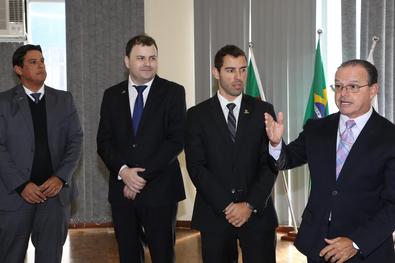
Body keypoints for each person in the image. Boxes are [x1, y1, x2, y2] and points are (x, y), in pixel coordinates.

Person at [265, 59, 395, 263]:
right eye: (339, 86)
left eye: (353, 86)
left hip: (367, 249)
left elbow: (392, 205)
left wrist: (355, 242)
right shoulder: (317, 128)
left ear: (373, 90)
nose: (343, 94)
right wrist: (275, 143)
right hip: (319, 244)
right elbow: (286, 160)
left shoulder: (389, 137)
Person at [97, 34, 186, 263]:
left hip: (161, 191)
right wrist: (125, 173)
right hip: (122, 193)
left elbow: (176, 141)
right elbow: (104, 142)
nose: (147, 63)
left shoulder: (174, 92)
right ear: (127, 61)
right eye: (141, 58)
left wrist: (140, 178)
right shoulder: (111, 95)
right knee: (128, 254)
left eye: (152, 58)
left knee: (163, 254)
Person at [185, 44, 278, 263]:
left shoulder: (263, 111)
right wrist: (228, 206)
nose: (238, 77)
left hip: (257, 215)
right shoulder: (197, 115)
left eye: (242, 69)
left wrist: (249, 205)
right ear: (216, 72)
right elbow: (196, 167)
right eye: (230, 70)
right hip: (215, 214)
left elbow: (271, 162)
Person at [0, 44, 83, 263]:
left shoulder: (64, 100)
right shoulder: (3, 103)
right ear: (18, 69)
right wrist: (21, 185)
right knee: (10, 256)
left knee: (50, 257)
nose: (41, 66)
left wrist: (60, 177)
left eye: (43, 61)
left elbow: (75, 141)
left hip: (54, 196)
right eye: (33, 62)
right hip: (15, 197)